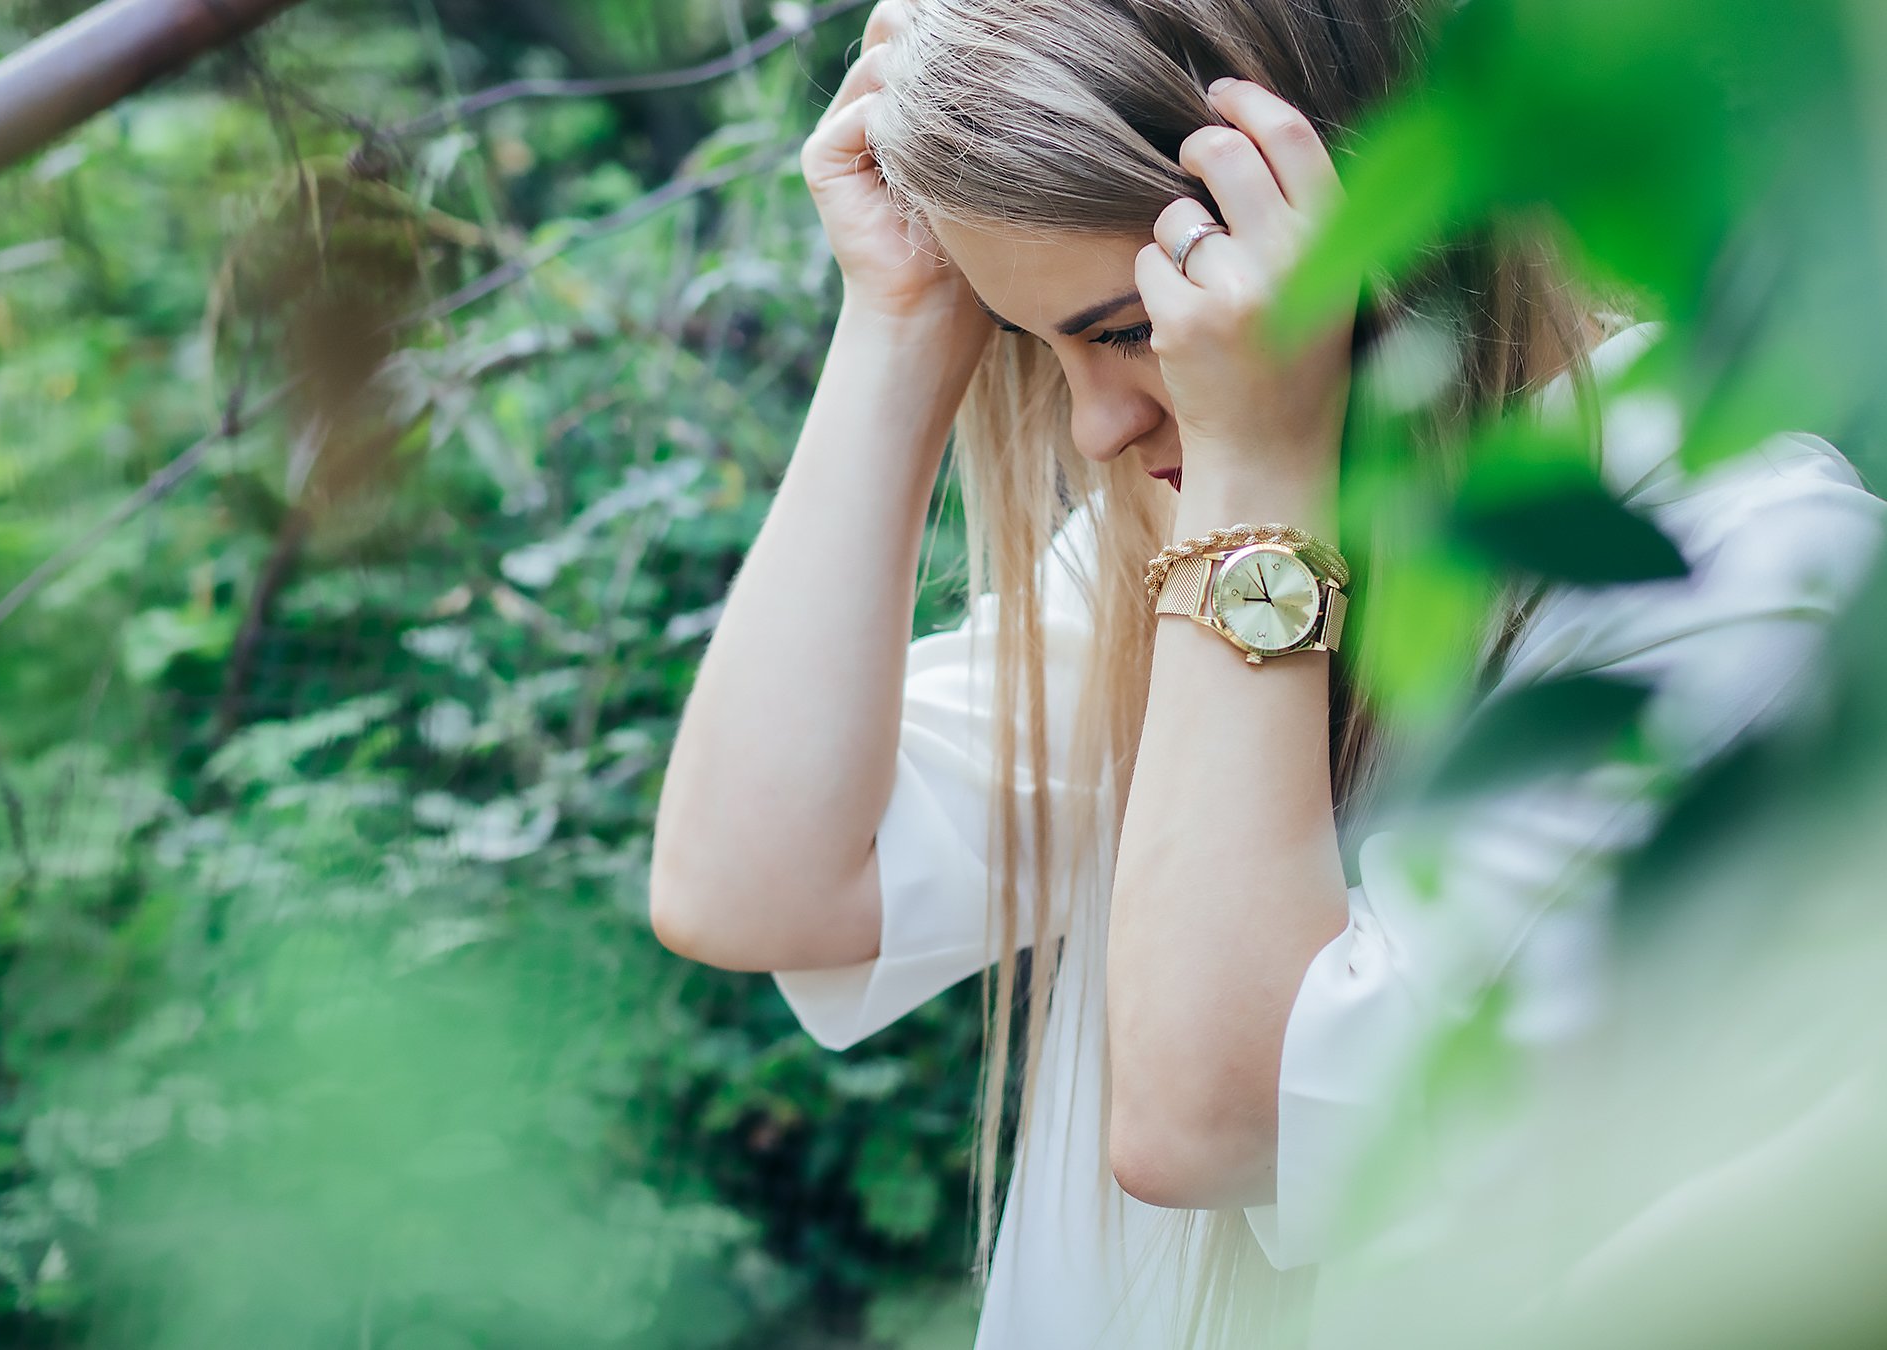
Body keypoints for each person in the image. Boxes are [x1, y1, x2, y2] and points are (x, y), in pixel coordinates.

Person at [647, 1, 1886, 1346]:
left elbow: (1216, 1119)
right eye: (1036, 342)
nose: (1096, 422)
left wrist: (1253, 487)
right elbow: (755, 884)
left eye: (1127, 331)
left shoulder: (1733, 569)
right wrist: (898, 320)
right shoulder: (1214, 526)